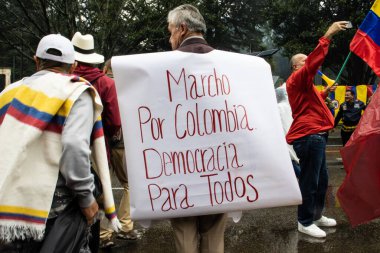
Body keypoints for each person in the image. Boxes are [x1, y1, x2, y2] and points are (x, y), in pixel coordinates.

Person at [0, 34, 118, 252]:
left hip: (12, 203)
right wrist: (86, 199)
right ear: (72, 65)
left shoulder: (9, 93)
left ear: (36, 60)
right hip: (57, 206)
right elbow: (74, 147)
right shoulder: (74, 91)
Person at [167, 4, 227, 253]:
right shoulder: (230, 66)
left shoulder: (163, 67)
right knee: (214, 233)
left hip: (179, 171)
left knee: (184, 230)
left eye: (170, 31)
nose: (169, 37)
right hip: (221, 170)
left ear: (181, 30)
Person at [286, 21, 349, 238]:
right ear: (296, 66)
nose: (310, 63)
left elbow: (309, 103)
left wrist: (323, 93)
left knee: (321, 181)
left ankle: (316, 215)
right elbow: (313, 62)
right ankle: (304, 221)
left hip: (316, 135)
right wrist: (328, 35)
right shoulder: (297, 78)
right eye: (304, 61)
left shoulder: (306, 86)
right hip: (309, 136)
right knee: (310, 181)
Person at [71, 33, 134, 248]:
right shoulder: (106, 83)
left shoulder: (67, 79)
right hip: (98, 143)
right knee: (105, 187)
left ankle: (84, 233)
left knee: (76, 189)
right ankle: (107, 232)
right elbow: (115, 120)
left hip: (67, 144)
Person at [275, 85, 300, 178]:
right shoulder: (290, 106)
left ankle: (302, 180)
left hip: (284, 137)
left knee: (290, 161)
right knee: (294, 160)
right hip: (293, 136)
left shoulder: (277, 107)